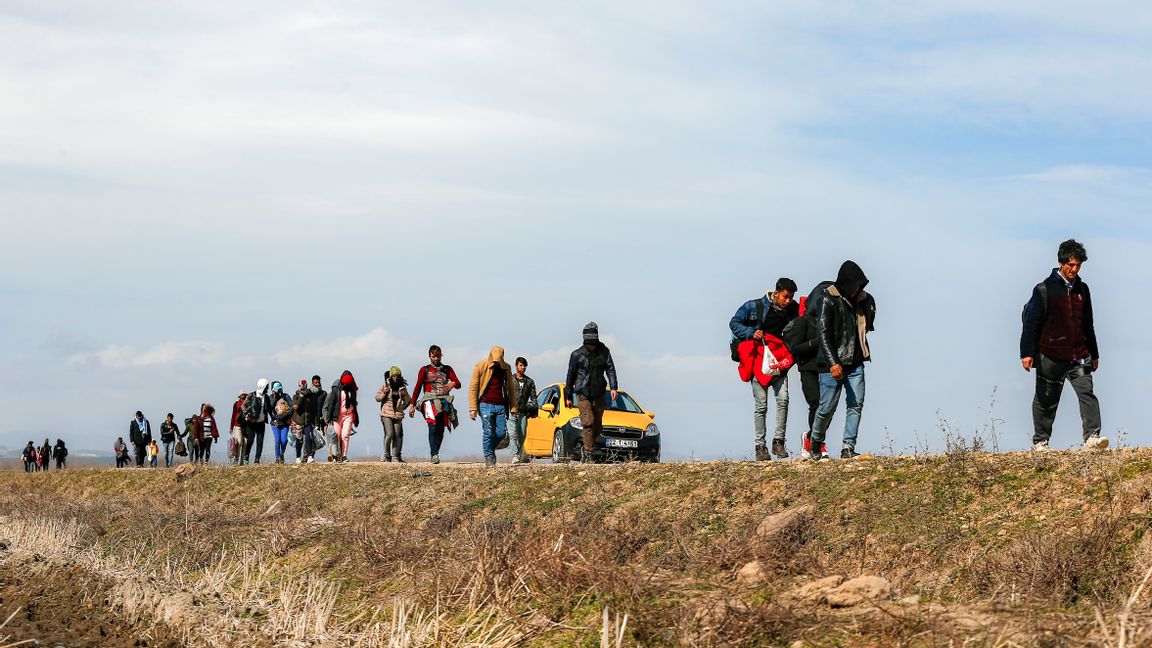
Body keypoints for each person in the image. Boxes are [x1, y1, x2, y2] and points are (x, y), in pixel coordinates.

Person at [1021, 239, 1106, 451]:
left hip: (1079, 354)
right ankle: (1040, 442)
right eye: (1071, 264)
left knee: (1087, 393)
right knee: (1046, 400)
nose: (1074, 269)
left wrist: (1094, 354)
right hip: (1050, 355)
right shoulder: (1044, 289)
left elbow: (1088, 324)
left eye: (1078, 265)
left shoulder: (1083, 290)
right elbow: (1031, 323)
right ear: (1061, 262)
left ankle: (1092, 438)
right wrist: (1027, 353)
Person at [806, 261, 876, 461]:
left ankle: (848, 447)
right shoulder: (827, 299)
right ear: (846, 283)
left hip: (855, 362)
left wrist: (867, 304)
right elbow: (823, 333)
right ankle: (815, 442)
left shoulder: (862, 300)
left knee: (856, 404)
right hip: (832, 365)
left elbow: (868, 325)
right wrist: (833, 362)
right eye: (856, 285)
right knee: (827, 407)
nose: (858, 289)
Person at [730, 278, 800, 460]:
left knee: (783, 400)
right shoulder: (754, 306)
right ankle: (760, 447)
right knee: (761, 406)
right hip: (758, 362)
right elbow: (734, 323)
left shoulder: (793, 309)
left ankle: (778, 442)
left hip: (779, 363)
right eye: (785, 296)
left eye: (791, 297)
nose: (788, 301)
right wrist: (750, 333)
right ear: (776, 293)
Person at [565, 322, 619, 463]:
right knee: (588, 423)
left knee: (597, 425)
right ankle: (588, 453)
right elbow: (570, 375)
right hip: (583, 394)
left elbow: (610, 369)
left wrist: (613, 387)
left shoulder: (604, 351)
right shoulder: (576, 355)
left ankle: (586, 446)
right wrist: (568, 396)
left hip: (599, 393)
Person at [783, 296, 827, 461]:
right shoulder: (802, 322)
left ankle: (812, 437)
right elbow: (795, 348)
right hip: (808, 369)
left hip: (826, 369)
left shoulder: (825, 321)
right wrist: (818, 342)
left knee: (827, 408)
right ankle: (815, 442)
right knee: (815, 404)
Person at [408, 346, 462, 464]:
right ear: (429, 356)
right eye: (433, 356)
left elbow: (458, 384)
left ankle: (436, 451)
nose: (436, 359)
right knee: (432, 426)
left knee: (441, 428)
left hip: (443, 401)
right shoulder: (424, 370)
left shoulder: (447, 369)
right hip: (429, 401)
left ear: (441, 355)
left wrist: (452, 383)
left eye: (438, 356)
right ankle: (434, 454)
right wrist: (412, 405)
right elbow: (417, 387)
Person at [468, 347, 520, 468]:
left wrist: (513, 407)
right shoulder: (480, 366)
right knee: (488, 432)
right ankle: (488, 457)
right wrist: (473, 408)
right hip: (485, 404)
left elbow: (511, 389)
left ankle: (490, 449)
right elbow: (473, 387)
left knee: (501, 434)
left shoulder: (506, 368)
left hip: (501, 405)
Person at [375, 367, 411, 462]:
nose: (395, 378)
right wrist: (384, 392)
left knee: (397, 435)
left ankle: (395, 457)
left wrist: (402, 407)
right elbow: (377, 398)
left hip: (398, 415)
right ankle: (386, 454)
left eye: (397, 376)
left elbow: (408, 400)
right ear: (390, 376)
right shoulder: (385, 386)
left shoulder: (402, 388)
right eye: (394, 376)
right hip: (386, 414)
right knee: (390, 434)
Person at [324, 371, 360, 463]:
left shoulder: (353, 390)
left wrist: (356, 418)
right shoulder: (336, 389)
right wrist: (328, 418)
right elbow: (331, 403)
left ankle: (344, 456)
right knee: (337, 435)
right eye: (345, 383)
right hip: (337, 416)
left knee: (345, 435)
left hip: (349, 415)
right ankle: (336, 455)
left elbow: (354, 404)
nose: (346, 385)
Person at [508, 357, 538, 464]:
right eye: (520, 365)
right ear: (516, 366)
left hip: (523, 412)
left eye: (524, 365)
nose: (523, 367)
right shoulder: (509, 379)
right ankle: (515, 455)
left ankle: (520, 454)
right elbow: (505, 394)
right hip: (511, 411)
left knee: (522, 435)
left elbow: (534, 398)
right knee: (512, 434)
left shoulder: (529, 382)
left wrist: (534, 410)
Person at [242, 378, 271, 465]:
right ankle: (246, 457)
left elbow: (269, 409)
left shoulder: (266, 397)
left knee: (260, 442)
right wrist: (247, 415)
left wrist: (274, 419)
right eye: (267, 387)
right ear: (263, 386)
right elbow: (243, 406)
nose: (268, 389)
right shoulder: (251, 395)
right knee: (250, 441)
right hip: (251, 423)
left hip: (261, 423)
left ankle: (257, 460)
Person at [268, 381, 293, 464]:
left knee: (284, 440)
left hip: (285, 423)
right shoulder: (271, 398)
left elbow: (292, 406)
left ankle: (282, 453)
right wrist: (274, 419)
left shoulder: (285, 396)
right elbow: (269, 409)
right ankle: (277, 458)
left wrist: (287, 416)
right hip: (275, 424)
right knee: (277, 441)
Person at [229, 392, 248, 465]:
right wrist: (231, 427)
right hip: (238, 426)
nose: (243, 397)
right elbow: (233, 415)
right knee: (239, 442)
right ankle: (236, 459)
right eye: (242, 396)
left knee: (246, 443)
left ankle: (242, 461)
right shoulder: (236, 404)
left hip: (246, 426)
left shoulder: (248, 403)